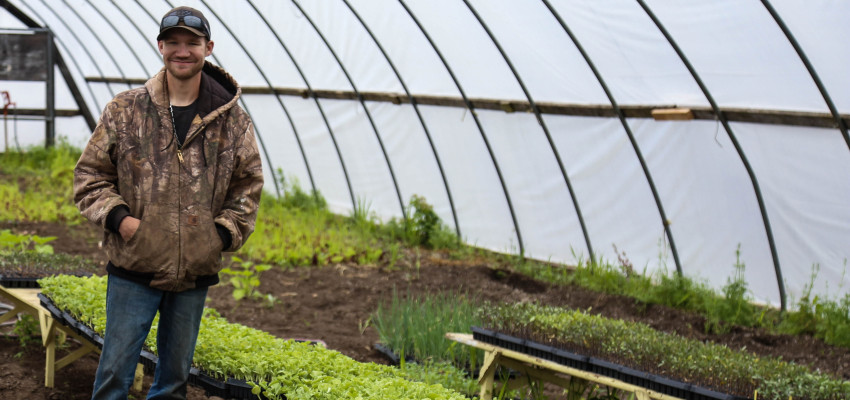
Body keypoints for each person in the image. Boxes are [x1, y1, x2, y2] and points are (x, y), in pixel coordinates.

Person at [73, 6, 263, 399]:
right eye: (173, 42)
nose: (183, 51)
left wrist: (219, 236)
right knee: (113, 376)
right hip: (133, 266)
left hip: (194, 273)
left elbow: (247, 188)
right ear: (160, 46)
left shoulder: (232, 121)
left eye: (192, 43)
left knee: (174, 382)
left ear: (208, 48)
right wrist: (124, 222)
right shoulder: (126, 110)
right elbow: (89, 177)